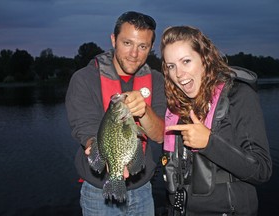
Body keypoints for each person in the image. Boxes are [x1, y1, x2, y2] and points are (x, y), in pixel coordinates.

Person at [160, 26, 272, 215]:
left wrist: (209, 143)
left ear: (205, 58)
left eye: (186, 61)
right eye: (171, 66)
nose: (178, 74)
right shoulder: (178, 105)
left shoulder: (238, 95)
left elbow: (262, 170)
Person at [65, 11, 166, 216]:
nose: (134, 54)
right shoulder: (84, 79)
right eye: (127, 43)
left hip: (144, 190)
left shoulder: (157, 80)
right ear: (113, 40)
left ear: (151, 48)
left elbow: (160, 135)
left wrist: (144, 111)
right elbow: (87, 131)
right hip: (98, 191)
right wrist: (101, 155)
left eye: (143, 46)